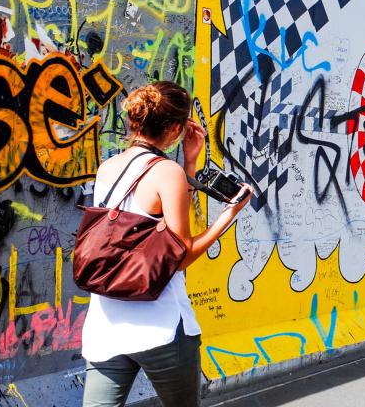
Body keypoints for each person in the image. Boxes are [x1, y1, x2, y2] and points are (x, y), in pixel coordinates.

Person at [82, 82, 253, 407]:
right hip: (160, 327)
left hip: (105, 326)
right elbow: (180, 257)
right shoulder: (167, 173)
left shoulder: (108, 168)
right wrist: (229, 213)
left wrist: (189, 165)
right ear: (176, 128)